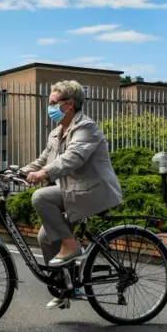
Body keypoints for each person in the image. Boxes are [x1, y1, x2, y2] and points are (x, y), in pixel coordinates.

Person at [20, 80, 123, 310]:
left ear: (70, 104)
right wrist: (21, 171)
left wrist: (44, 173)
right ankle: (64, 287)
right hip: (74, 190)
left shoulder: (86, 127)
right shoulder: (57, 133)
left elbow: (73, 157)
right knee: (44, 238)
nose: (50, 108)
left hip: (93, 190)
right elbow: (44, 159)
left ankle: (71, 245)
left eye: (54, 103)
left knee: (41, 197)